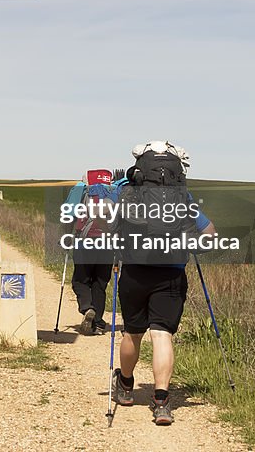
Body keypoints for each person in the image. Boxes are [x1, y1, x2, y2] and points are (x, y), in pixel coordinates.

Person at [108, 141, 216, 426]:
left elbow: (110, 224)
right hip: (171, 272)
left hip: (134, 271)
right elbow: (209, 232)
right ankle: (162, 402)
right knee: (161, 335)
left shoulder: (126, 190)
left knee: (132, 333)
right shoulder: (183, 195)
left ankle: (126, 387)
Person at [72, 172, 114, 335]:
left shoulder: (83, 191)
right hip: (107, 244)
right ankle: (97, 323)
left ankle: (87, 307)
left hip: (85, 243)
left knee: (81, 280)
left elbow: (70, 216)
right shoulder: (113, 192)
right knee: (100, 283)